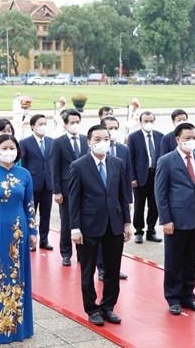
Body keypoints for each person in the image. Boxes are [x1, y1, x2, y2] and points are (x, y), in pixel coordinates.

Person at [69, 124, 132, 326]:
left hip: (114, 224)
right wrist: (75, 228)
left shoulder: (117, 163)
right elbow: (74, 200)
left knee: (113, 270)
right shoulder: (78, 166)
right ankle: (92, 308)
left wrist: (127, 222)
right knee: (88, 271)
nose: (102, 142)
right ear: (89, 142)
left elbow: (123, 196)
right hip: (89, 226)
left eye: (105, 138)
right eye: (97, 139)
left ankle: (108, 307)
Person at [0, 134, 37, 344]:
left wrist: (34, 231)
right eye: (4, 147)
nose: (8, 151)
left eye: (12, 147)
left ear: (17, 151)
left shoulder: (25, 174)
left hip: (19, 233)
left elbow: (30, 204)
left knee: (18, 276)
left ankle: (18, 328)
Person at [155, 122, 195, 315]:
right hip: (176, 219)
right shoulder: (166, 160)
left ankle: (188, 295)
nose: (191, 141)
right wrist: (166, 220)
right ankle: (173, 298)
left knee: (191, 260)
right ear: (177, 139)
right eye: (187, 138)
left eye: (194, 138)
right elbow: (160, 193)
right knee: (174, 260)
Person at [51, 109, 88, 266]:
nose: (75, 125)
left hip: (86, 188)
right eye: (72, 122)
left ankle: (82, 253)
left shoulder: (86, 140)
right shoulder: (58, 142)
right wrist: (57, 191)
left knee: (84, 222)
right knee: (67, 222)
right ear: (65, 124)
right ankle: (66, 253)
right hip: (66, 190)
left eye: (77, 122)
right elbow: (55, 168)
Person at [97, 116, 132, 281]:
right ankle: (102, 268)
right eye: (109, 128)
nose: (113, 131)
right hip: (99, 204)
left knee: (115, 238)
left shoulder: (123, 150)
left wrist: (128, 200)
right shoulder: (94, 151)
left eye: (115, 127)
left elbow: (127, 177)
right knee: (101, 238)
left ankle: (114, 268)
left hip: (117, 202)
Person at [128, 111, 163, 244]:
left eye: (151, 121)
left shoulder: (160, 136)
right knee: (139, 205)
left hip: (156, 175)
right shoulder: (133, 137)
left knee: (154, 205)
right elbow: (130, 159)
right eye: (145, 121)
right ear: (141, 122)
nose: (148, 123)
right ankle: (138, 231)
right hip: (141, 176)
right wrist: (132, 178)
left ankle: (151, 230)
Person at [20, 114, 53, 251]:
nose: (43, 126)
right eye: (40, 124)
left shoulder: (51, 142)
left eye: (45, 123)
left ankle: (44, 240)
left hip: (48, 184)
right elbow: (23, 165)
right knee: (31, 213)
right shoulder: (25, 143)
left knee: (46, 214)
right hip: (33, 184)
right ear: (33, 127)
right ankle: (31, 240)